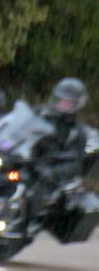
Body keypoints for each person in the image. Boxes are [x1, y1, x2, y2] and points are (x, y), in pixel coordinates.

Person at [21, 77, 89, 233]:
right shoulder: (40, 113)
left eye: (69, 102)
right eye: (62, 100)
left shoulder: (77, 132)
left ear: (77, 104)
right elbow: (19, 123)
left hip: (48, 169)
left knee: (37, 190)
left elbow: (76, 163)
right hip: (27, 158)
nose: (64, 104)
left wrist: (53, 172)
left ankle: (27, 223)